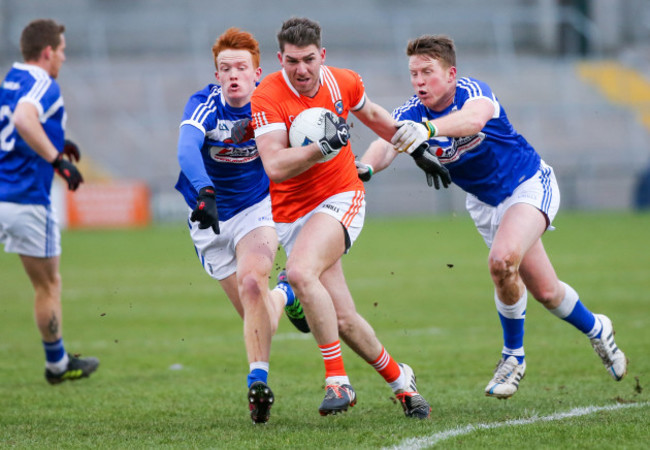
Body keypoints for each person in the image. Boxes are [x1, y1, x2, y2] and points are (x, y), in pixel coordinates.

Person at [359, 34, 628, 399]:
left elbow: (473, 120)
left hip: (528, 185)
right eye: (413, 74)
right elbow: (385, 141)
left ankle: (513, 358)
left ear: (451, 74)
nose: (419, 81)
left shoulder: (472, 92)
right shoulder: (412, 111)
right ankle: (598, 329)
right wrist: (366, 168)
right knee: (547, 292)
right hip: (486, 205)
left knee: (501, 261)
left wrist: (429, 129)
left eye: (427, 72)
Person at [251, 17, 438, 418]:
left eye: (309, 60)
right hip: (291, 214)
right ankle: (402, 381)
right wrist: (319, 148)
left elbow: (372, 115)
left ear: (323, 56)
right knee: (343, 319)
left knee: (300, 275)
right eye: (291, 61)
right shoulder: (266, 95)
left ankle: (337, 380)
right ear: (279, 59)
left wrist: (415, 146)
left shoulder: (343, 82)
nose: (301, 70)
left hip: (341, 196)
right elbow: (275, 166)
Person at [174, 27, 311, 425]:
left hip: (257, 209)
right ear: (216, 75)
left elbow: (305, 139)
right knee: (261, 315)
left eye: (241, 67)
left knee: (253, 283)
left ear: (257, 72)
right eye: (225, 68)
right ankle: (287, 294)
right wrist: (204, 191)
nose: (233, 75)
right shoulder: (203, 104)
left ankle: (257, 384)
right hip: (209, 215)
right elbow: (186, 147)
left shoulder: (271, 103)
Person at [0, 19, 99, 384]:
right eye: (61, 50)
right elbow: (26, 120)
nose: (63, 57)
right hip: (26, 200)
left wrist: (56, 142)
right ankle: (57, 364)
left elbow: (16, 126)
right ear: (46, 52)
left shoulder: (10, 79)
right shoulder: (44, 82)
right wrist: (57, 161)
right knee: (47, 285)